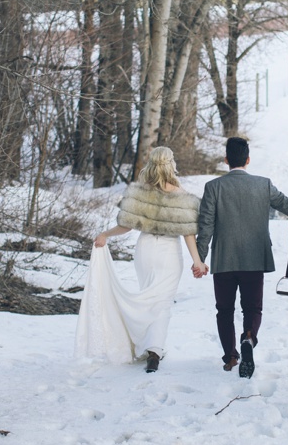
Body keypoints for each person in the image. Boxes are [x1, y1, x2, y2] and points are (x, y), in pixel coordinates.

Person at [74, 146, 208, 373]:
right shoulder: (181, 195)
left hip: (145, 250)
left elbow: (126, 224)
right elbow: (188, 233)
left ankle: (146, 344)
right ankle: (154, 351)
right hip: (168, 253)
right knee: (162, 302)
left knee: (148, 297)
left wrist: (106, 234)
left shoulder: (139, 192)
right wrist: (198, 261)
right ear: (170, 164)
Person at [195, 137, 288, 378]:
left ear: (226, 160)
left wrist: (199, 259)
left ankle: (231, 357)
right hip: (254, 260)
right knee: (253, 308)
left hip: (223, 260)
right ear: (248, 160)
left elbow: (206, 226)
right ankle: (249, 338)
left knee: (224, 310)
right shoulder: (263, 185)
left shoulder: (213, 187)